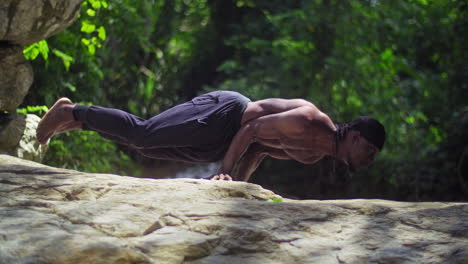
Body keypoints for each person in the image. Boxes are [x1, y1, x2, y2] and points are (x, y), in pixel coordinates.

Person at [36, 90, 386, 181]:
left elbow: (258, 149)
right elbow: (251, 129)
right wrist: (227, 170)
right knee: (145, 134)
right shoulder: (309, 121)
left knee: (149, 147)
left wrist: (235, 184)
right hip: (226, 113)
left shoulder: (313, 155)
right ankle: (71, 112)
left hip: (225, 140)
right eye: (369, 150)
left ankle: (82, 122)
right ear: (354, 136)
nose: (368, 160)